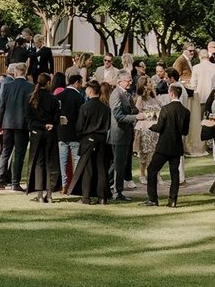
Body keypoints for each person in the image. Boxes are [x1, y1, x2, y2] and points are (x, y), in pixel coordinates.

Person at [144, 83, 191, 207]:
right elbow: (185, 131)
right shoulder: (186, 111)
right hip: (177, 146)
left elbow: (159, 127)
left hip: (164, 146)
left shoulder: (166, 109)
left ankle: (153, 198)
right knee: (174, 173)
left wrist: (149, 125)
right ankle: (173, 200)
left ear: (171, 94)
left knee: (152, 170)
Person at [67, 81, 113, 204]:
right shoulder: (106, 108)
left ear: (91, 91)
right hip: (102, 139)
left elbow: (79, 126)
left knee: (87, 169)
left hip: (88, 139)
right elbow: (108, 125)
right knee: (101, 168)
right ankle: (102, 197)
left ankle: (86, 197)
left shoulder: (85, 107)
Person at [0, 63, 32, 190]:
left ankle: (0, 179)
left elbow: (2, 107)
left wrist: (0, 123)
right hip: (22, 124)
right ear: (25, 72)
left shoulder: (7, 86)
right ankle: (15, 182)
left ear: (16, 72)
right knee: (19, 153)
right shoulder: (30, 87)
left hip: (7, 122)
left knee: (5, 151)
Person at [24, 72, 60, 201]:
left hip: (37, 133)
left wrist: (41, 126)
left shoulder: (31, 98)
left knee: (38, 163)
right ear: (48, 83)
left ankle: (39, 195)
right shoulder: (53, 99)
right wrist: (49, 125)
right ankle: (49, 195)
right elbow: (56, 118)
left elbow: (28, 118)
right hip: (50, 134)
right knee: (50, 163)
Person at [109, 72, 139, 201]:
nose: (130, 82)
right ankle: (117, 192)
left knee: (119, 164)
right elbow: (118, 116)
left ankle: (105, 186)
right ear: (120, 81)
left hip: (126, 133)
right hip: (119, 134)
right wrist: (135, 117)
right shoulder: (116, 94)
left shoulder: (126, 93)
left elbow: (133, 109)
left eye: (130, 80)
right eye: (128, 80)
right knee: (118, 164)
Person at [57, 69, 85, 189]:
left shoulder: (59, 96)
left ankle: (64, 185)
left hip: (62, 132)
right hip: (74, 133)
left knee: (62, 161)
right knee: (76, 160)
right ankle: (75, 185)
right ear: (77, 82)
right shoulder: (79, 98)